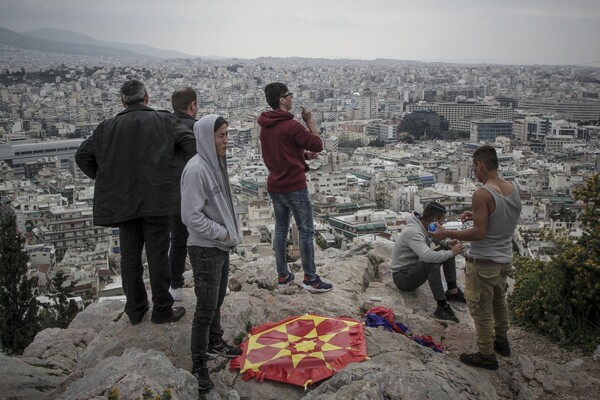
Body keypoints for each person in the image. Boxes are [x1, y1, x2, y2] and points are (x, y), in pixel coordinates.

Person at [75, 80, 195, 325]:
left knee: (130, 257)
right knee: (158, 254)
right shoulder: (165, 121)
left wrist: (107, 177)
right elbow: (190, 144)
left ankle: (136, 309)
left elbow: (82, 156)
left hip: (124, 200)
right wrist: (173, 173)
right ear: (147, 97)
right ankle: (162, 309)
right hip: (159, 198)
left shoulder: (107, 127)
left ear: (122, 101)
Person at [432, 144, 521, 371]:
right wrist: (477, 214)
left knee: (480, 308)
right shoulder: (513, 188)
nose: (474, 172)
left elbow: (479, 234)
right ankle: (502, 342)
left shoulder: (482, 194)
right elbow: (501, 216)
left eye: (474, 167)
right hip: (504, 259)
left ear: (480, 165)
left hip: (483, 262)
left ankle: (485, 354)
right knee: (499, 302)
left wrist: (446, 233)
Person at [181, 114, 242, 392]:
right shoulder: (196, 170)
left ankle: (215, 341)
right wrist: (222, 233)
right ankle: (199, 364)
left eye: (227, 134)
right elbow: (190, 217)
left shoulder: (215, 164)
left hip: (220, 246)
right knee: (205, 307)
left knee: (217, 298)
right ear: (207, 137)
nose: (226, 141)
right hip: (206, 247)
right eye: (221, 135)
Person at [258, 82, 332, 293]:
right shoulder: (292, 125)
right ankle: (311, 279)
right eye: (289, 95)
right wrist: (310, 121)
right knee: (306, 231)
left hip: (275, 185)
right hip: (294, 186)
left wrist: (303, 156)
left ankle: (283, 275)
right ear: (282, 99)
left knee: (281, 230)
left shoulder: (265, 127)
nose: (292, 98)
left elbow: (279, 154)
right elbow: (317, 144)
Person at [391, 202, 466, 323]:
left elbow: (432, 237)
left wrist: (447, 244)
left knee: (446, 251)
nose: (442, 225)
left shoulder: (422, 225)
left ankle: (453, 291)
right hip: (403, 278)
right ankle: (441, 306)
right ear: (435, 220)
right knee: (432, 262)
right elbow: (427, 256)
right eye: (441, 222)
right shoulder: (414, 232)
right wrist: (452, 253)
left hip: (412, 270)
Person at [168, 87, 198, 301]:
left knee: (177, 239)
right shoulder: (196, 128)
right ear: (193, 105)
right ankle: (208, 281)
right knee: (203, 237)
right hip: (194, 189)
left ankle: (175, 285)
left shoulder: (163, 127)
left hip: (169, 191)